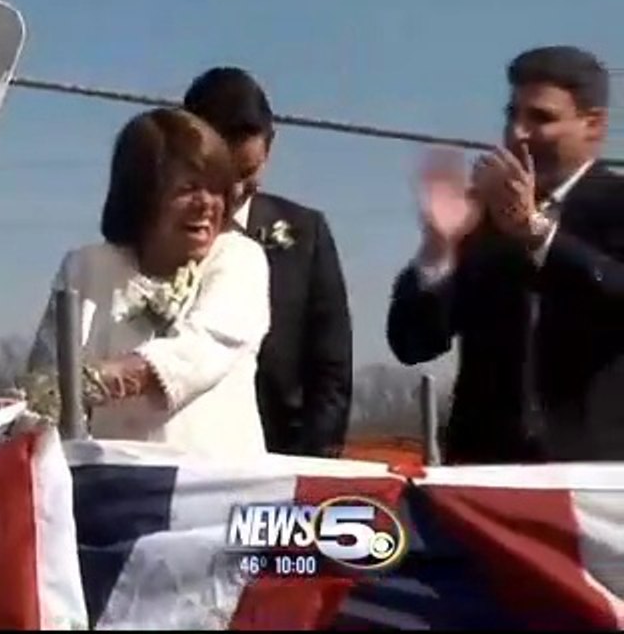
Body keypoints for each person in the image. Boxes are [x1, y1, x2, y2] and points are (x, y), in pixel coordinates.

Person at [386, 45, 624, 463]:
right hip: (486, 480)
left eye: (541, 118)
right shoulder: (482, 215)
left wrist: (537, 234)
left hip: (597, 481)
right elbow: (413, 343)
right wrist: (438, 248)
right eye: (512, 115)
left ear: (594, 125)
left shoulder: (616, 204)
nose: (518, 133)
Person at [26, 107, 271, 458]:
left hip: (215, 492)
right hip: (114, 490)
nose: (207, 204)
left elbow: (204, 348)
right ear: (142, 196)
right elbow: (45, 383)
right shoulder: (86, 266)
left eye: (216, 190)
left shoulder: (240, 259)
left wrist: (98, 380)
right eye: (188, 188)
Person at [182, 67, 354, 458]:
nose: (238, 190)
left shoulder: (304, 234)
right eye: (223, 175)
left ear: (269, 147)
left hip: (284, 457)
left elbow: (331, 372)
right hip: (187, 458)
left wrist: (309, 469)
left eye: (248, 172)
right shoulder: (156, 236)